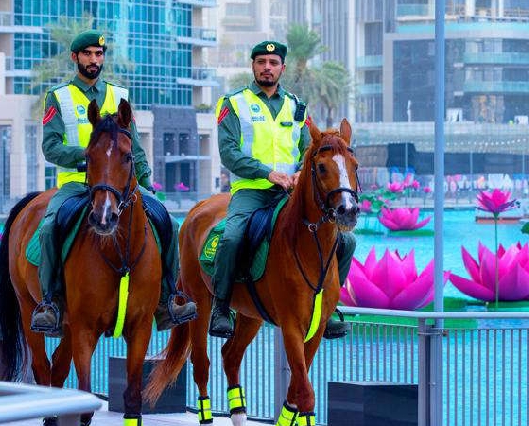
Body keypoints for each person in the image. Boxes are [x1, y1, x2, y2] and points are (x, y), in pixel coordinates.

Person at [31, 30, 196, 333]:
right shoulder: (58, 97)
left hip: (121, 186)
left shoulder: (120, 96)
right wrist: (89, 156)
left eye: (99, 54)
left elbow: (133, 145)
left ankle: (169, 296)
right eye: (88, 54)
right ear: (75, 58)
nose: (94, 60)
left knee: (169, 223)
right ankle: (51, 302)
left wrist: (146, 182)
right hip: (76, 183)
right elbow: (50, 146)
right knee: (50, 227)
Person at [210, 40, 355, 339]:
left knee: (347, 241)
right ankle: (221, 306)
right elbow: (228, 154)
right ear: (253, 66)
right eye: (261, 62)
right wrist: (268, 173)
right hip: (252, 191)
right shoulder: (233, 104)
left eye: (273, 63)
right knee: (233, 236)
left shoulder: (296, 106)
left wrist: (302, 171)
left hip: (292, 193)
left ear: (282, 68)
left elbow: (309, 147)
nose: (267, 67)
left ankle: (329, 307)